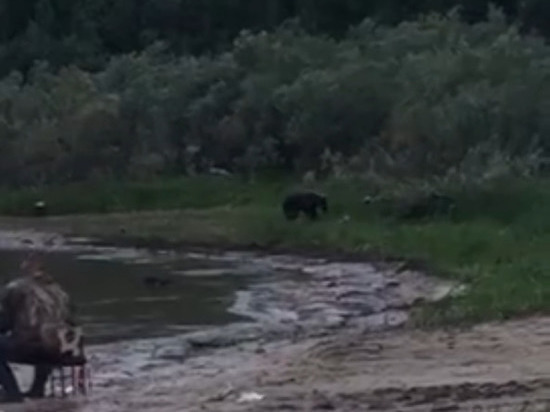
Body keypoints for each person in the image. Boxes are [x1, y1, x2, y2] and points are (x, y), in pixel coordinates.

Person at [0, 253, 79, 402]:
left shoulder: (17, 288)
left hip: (35, 348)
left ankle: (12, 393)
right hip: (65, 351)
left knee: (35, 338)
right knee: (48, 337)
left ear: (25, 266)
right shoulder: (59, 291)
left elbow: (5, 321)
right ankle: (37, 389)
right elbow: (71, 320)